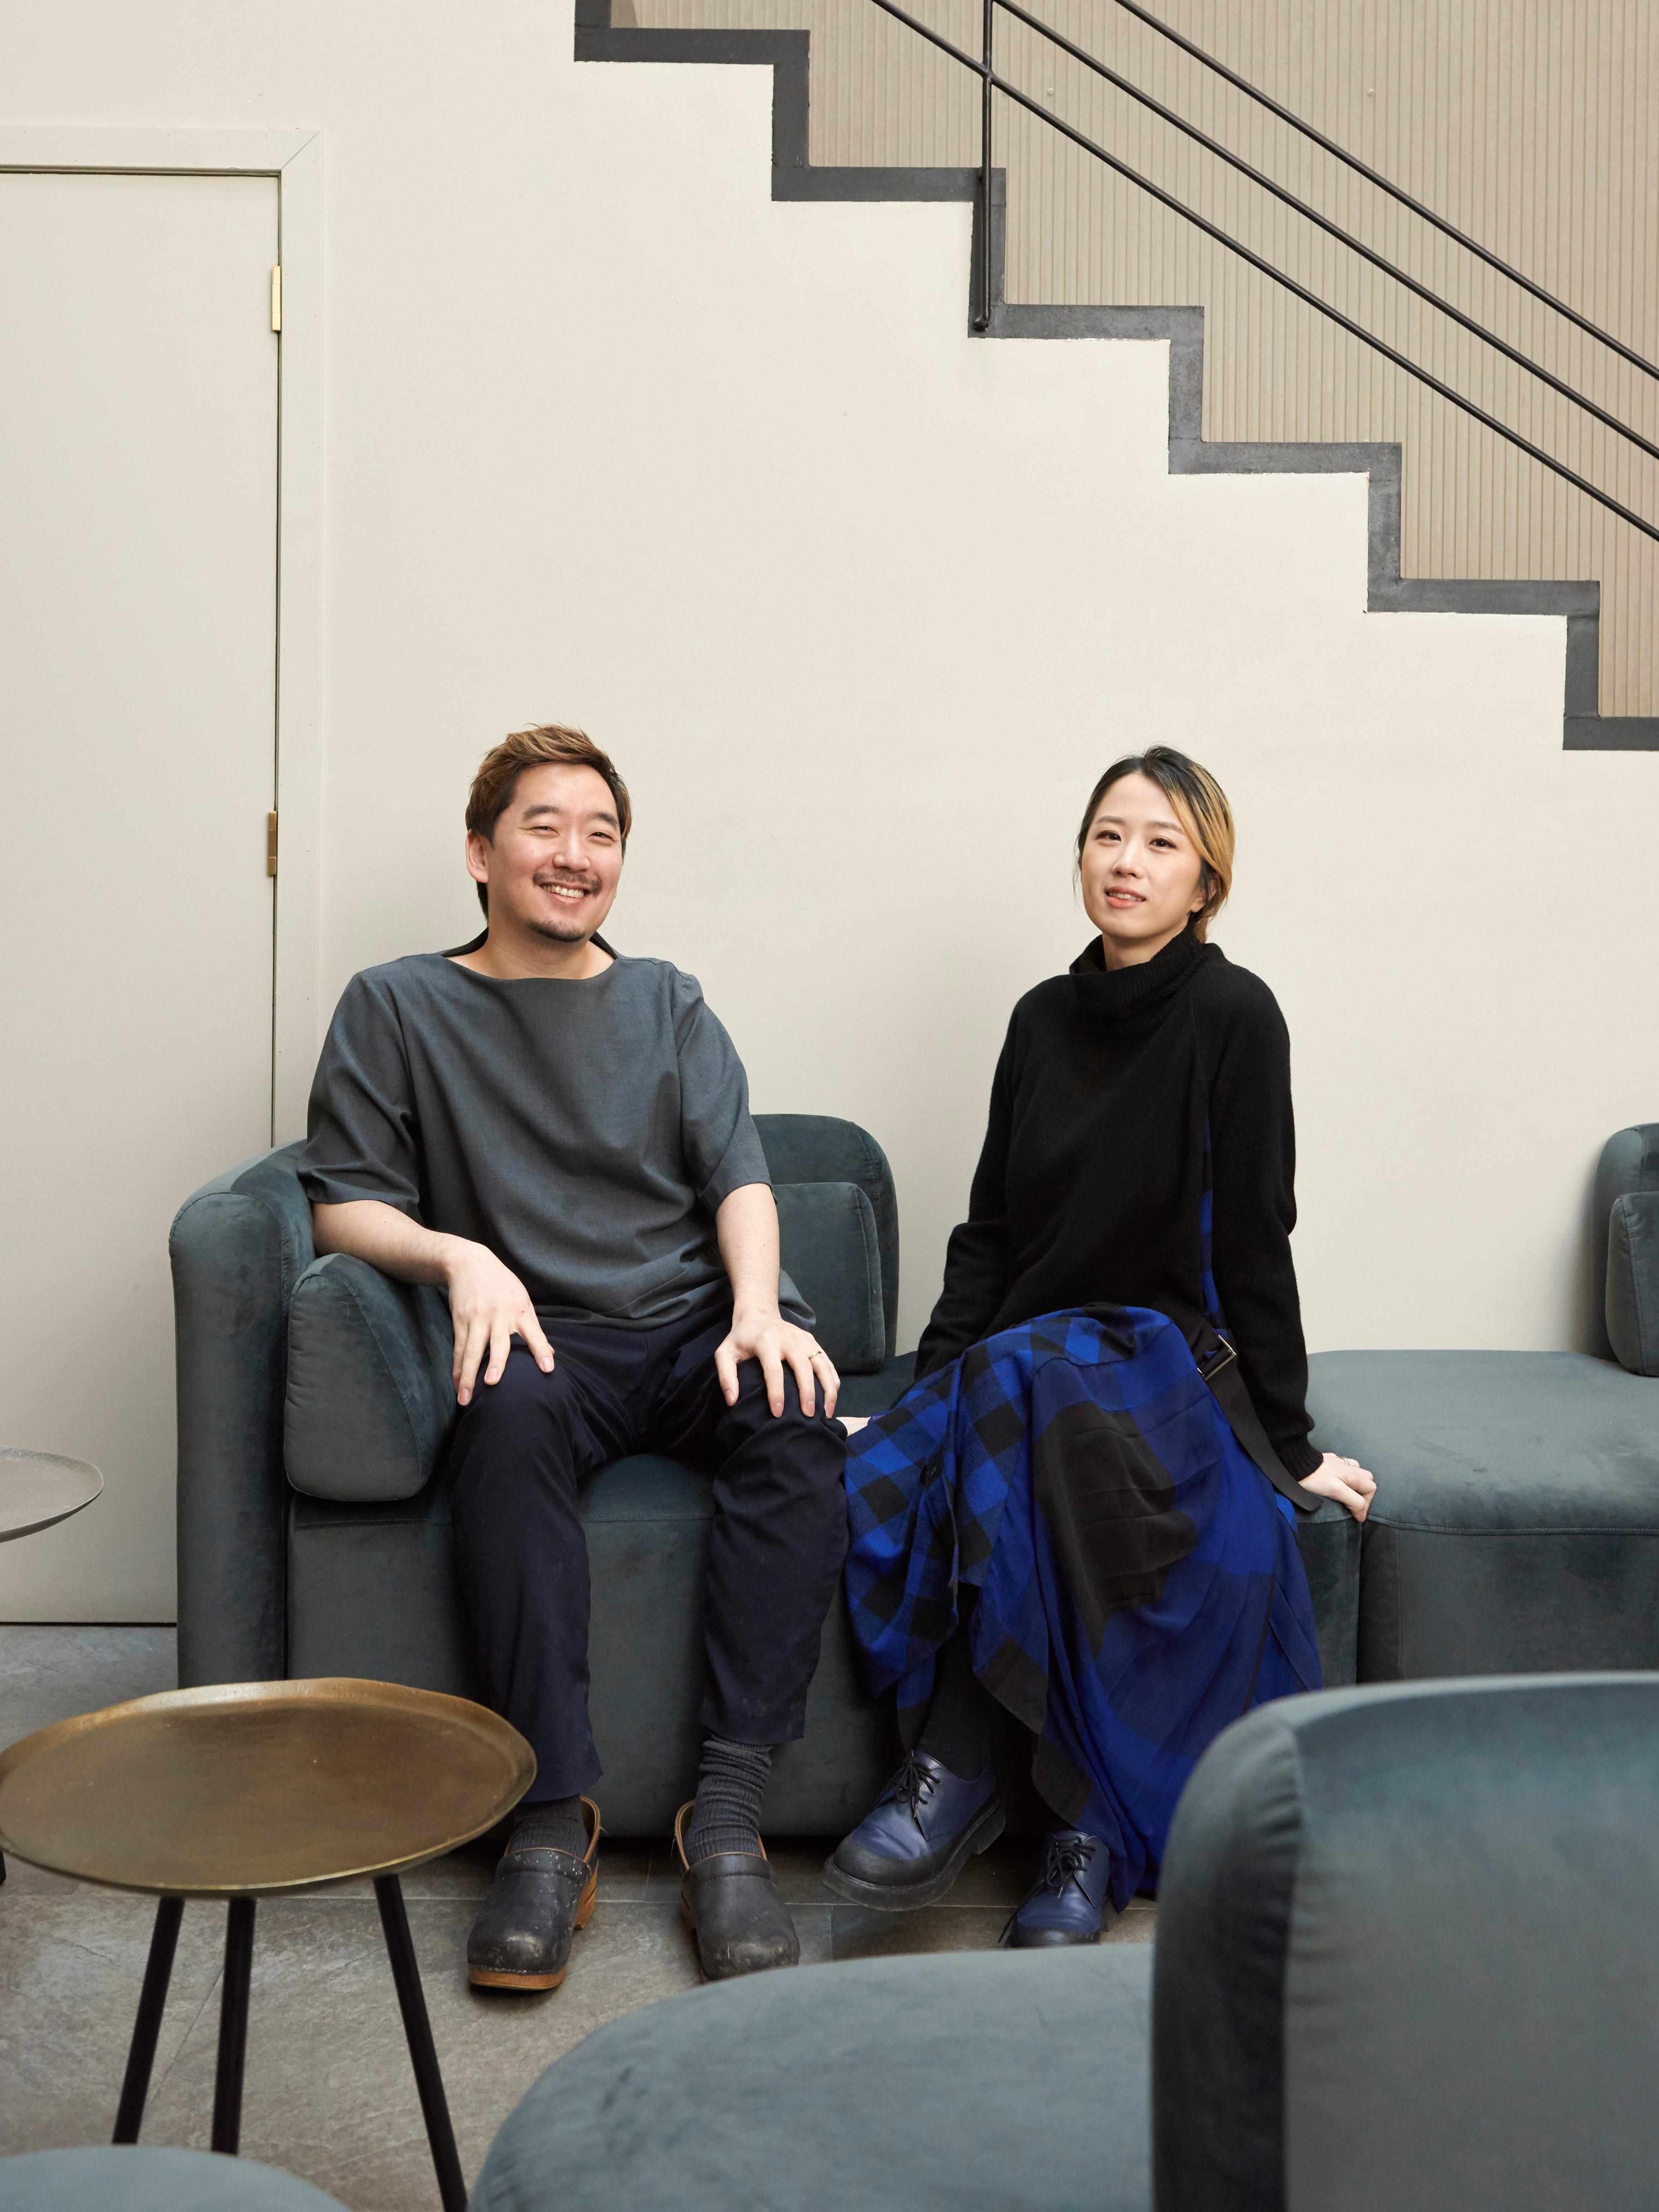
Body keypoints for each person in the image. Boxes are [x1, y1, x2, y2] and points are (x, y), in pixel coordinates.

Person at [296, 724, 848, 1989]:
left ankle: (729, 1820)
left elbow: (741, 1177)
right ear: (481, 853)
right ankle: (550, 1821)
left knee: (794, 1416)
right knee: (498, 1417)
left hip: (691, 1324)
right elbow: (339, 1204)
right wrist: (460, 1258)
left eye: (602, 834)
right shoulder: (399, 1003)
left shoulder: (667, 1000)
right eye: (544, 826)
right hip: (544, 1334)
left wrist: (757, 1312)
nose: (575, 854)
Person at [826, 747, 1375, 1946]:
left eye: (1162, 843)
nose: (1128, 861)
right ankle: (1080, 1833)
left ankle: (962, 1771)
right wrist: (929, 1397)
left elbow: (1257, 1239)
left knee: (1034, 1376)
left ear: (1206, 880)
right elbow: (990, 1234)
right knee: (1013, 1384)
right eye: (1109, 835)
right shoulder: (1039, 1020)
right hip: (1035, 1377)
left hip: (1171, 1366)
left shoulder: (1235, 1015)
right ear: (1080, 856)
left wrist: (1287, 1449)